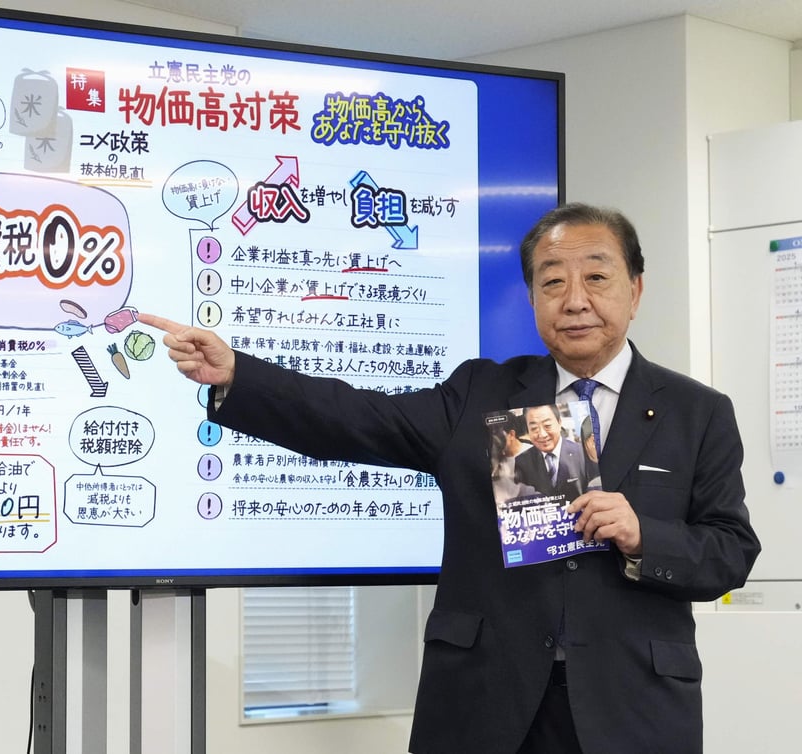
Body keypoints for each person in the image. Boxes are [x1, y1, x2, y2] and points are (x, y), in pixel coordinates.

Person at [139, 202, 760, 754]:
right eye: (552, 282)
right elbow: (359, 417)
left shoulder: (696, 412)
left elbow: (730, 551)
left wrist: (643, 535)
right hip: (487, 700)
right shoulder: (482, 394)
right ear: (532, 298)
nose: (575, 299)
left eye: (597, 276)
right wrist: (237, 377)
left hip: (631, 707)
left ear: (636, 289)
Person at [513, 403, 589, 499]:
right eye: (534, 428)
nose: (542, 434)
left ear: (559, 422)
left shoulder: (582, 453)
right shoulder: (522, 462)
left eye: (547, 425)